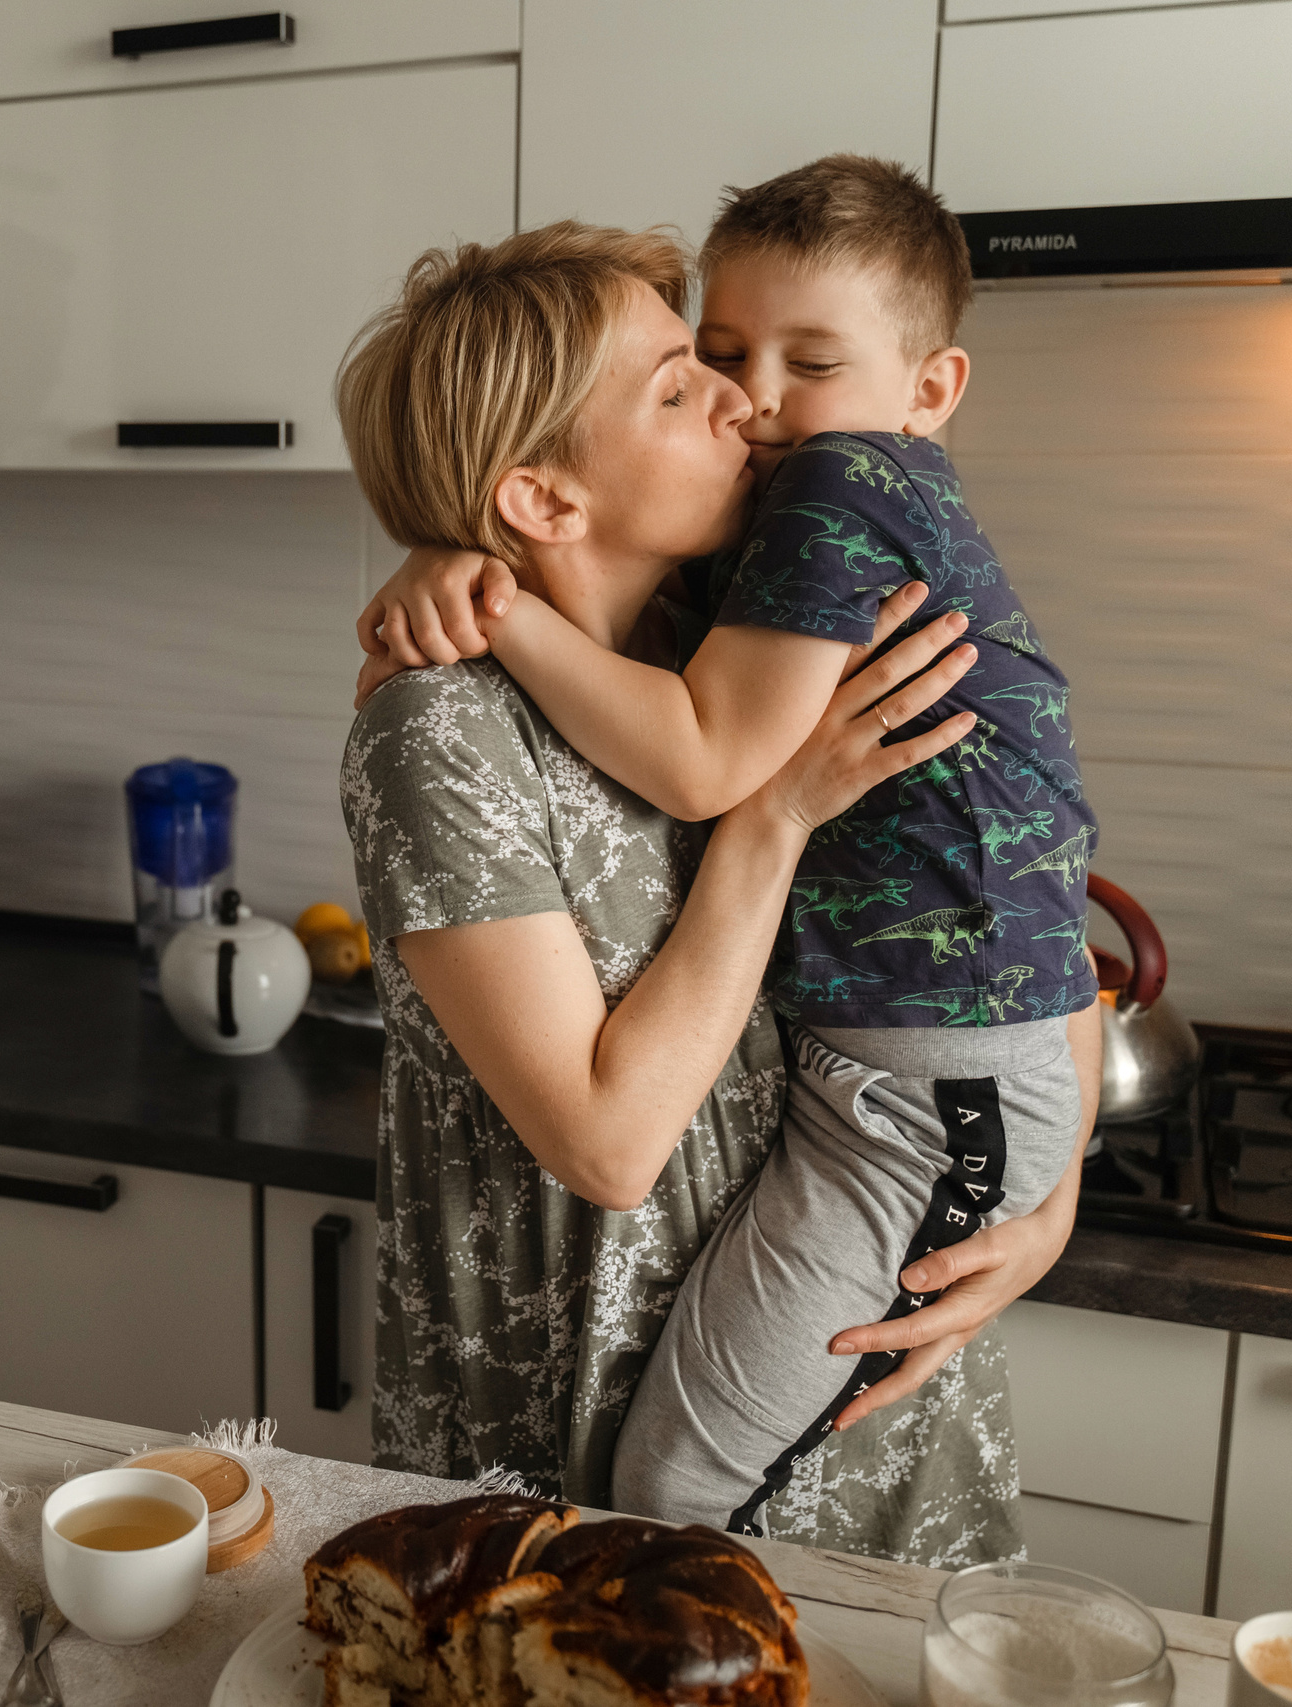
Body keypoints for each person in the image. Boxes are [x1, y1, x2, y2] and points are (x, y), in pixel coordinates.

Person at [352, 160, 1104, 1536]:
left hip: (857, 1284)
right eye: (687, 374)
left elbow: (1027, 865)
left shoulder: (705, 646)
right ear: (545, 501)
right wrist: (772, 819)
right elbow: (608, 1148)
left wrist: (1045, 1203)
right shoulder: (444, 736)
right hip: (588, 1375)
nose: (743, 400)